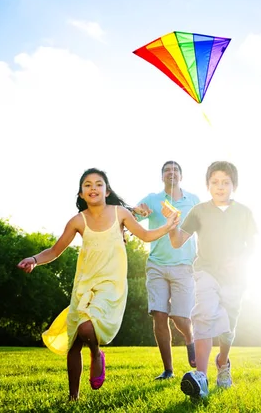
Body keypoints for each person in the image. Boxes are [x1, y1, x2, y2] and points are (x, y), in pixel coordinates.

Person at [17, 168, 179, 400]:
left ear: (107, 190)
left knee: (86, 328)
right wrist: (34, 260)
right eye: (87, 185)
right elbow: (54, 250)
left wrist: (167, 227)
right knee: (73, 342)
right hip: (84, 283)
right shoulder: (77, 221)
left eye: (98, 184)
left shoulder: (120, 213)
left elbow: (144, 235)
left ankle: (95, 353)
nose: (93, 188)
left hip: (110, 284)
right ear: (81, 194)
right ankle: (73, 397)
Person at [164, 161, 257, 399]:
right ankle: (201, 378)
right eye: (215, 182)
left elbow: (253, 246)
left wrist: (239, 260)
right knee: (203, 315)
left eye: (225, 182)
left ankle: (223, 362)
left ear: (233, 185)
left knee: (227, 330)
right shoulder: (199, 211)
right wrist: (172, 225)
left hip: (235, 278)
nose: (220, 187)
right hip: (206, 271)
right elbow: (176, 242)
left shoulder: (244, 212)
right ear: (208, 185)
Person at [133, 161, 200, 380]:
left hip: (184, 265)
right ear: (162, 176)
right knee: (159, 315)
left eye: (175, 170)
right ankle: (168, 370)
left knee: (180, 317)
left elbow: (204, 229)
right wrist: (136, 211)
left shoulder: (193, 201)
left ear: (181, 175)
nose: (171, 173)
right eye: (167, 170)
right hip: (157, 265)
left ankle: (190, 339)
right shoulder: (152, 199)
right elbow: (132, 216)